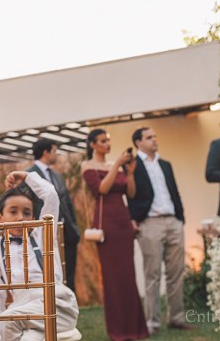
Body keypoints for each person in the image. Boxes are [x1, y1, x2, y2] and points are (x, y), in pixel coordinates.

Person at [0, 170, 80, 341]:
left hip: (57, 303)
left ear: (34, 217)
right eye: (13, 212)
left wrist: (27, 177)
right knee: (23, 336)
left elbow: (51, 195)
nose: (21, 218)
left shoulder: (42, 235)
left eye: (27, 213)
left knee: (8, 323)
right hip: (22, 309)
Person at [81, 129, 148, 341]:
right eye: (103, 141)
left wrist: (128, 173)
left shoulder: (114, 166)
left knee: (129, 276)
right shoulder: (87, 165)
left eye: (108, 140)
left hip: (123, 221)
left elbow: (131, 193)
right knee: (113, 278)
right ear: (93, 144)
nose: (107, 144)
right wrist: (118, 165)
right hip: (106, 225)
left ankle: (136, 329)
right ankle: (118, 330)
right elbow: (101, 188)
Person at [128, 127, 192, 334]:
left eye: (155, 136)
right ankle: (152, 323)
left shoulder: (165, 164)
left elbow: (174, 191)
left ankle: (176, 318)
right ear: (138, 142)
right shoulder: (132, 165)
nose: (154, 140)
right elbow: (130, 194)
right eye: (149, 137)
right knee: (152, 274)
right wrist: (135, 219)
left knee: (176, 272)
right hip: (150, 223)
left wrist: (180, 217)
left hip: (173, 221)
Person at [27, 138, 80, 289]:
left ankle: (69, 307)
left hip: (66, 232)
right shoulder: (28, 175)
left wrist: (73, 227)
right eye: (55, 151)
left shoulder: (57, 176)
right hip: (42, 233)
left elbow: (67, 203)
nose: (57, 155)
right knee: (51, 273)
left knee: (68, 274)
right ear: (46, 152)